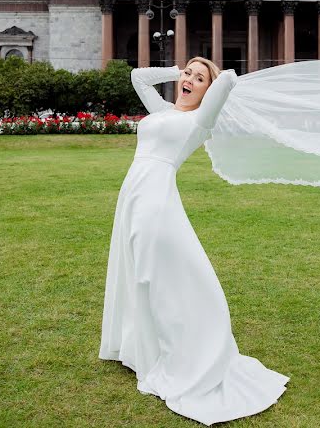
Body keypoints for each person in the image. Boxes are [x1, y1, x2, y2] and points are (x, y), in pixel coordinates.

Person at [99, 57, 288, 426]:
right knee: (140, 273)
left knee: (160, 275)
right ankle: (144, 347)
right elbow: (139, 77)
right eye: (188, 74)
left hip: (156, 201)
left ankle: (188, 354)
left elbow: (226, 83)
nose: (189, 80)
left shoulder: (199, 122)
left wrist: (214, 76)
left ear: (206, 90)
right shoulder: (165, 110)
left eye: (197, 78)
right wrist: (181, 70)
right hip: (133, 195)